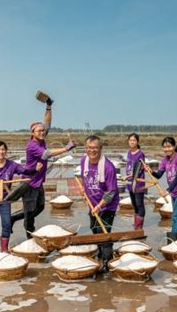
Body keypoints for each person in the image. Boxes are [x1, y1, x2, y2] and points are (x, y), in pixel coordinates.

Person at [8, 97, 76, 238]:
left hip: (38, 182)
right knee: (29, 212)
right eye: (38, 131)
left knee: (40, 207)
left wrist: (48, 106)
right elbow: (46, 154)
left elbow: (47, 122)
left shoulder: (42, 139)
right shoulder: (32, 145)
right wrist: (66, 148)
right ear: (32, 133)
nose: (42, 132)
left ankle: (13, 218)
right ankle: (29, 238)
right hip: (29, 183)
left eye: (42, 131)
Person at [80, 135, 120, 272]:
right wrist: (84, 190)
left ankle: (107, 263)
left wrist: (99, 206)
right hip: (93, 204)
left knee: (104, 233)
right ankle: (100, 254)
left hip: (107, 205)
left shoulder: (108, 167)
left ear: (101, 148)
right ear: (86, 148)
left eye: (95, 148)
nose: (92, 150)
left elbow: (111, 192)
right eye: (89, 148)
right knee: (94, 229)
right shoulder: (83, 161)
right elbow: (84, 178)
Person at [145, 137, 177, 242]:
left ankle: (172, 241)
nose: (167, 149)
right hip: (174, 191)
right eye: (165, 147)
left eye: (169, 146)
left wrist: (168, 190)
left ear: (174, 146)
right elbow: (159, 175)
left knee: (175, 215)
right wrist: (151, 171)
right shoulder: (164, 160)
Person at [123, 133, 146, 229]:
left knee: (139, 203)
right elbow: (128, 165)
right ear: (128, 141)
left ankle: (139, 225)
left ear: (137, 142)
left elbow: (139, 169)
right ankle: (136, 222)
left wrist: (128, 176)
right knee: (134, 203)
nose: (132, 142)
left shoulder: (140, 154)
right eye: (130, 140)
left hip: (138, 182)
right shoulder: (129, 152)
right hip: (130, 183)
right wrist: (127, 177)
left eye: (134, 140)